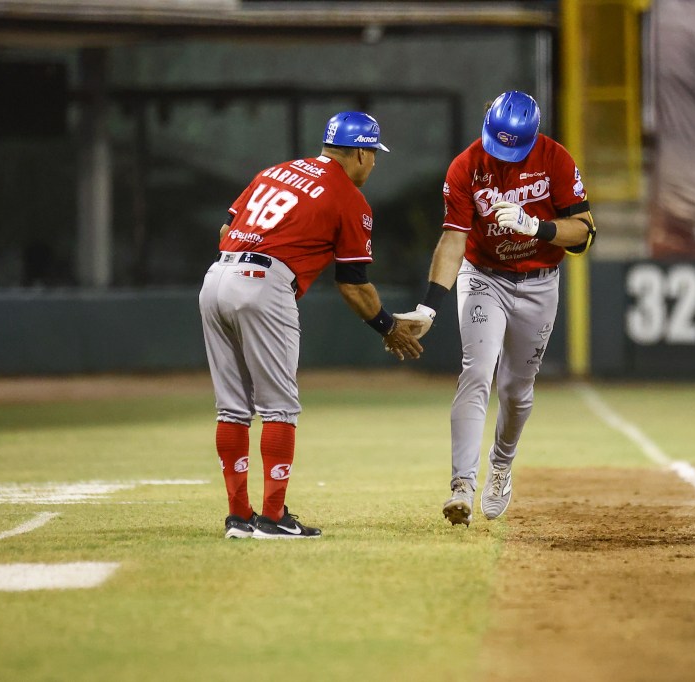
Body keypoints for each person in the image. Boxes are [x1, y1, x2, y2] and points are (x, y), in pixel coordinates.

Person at [199, 111, 424, 540]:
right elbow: (353, 284)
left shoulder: (274, 172)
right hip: (263, 283)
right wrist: (387, 326)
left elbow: (227, 228)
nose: (374, 163)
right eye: (374, 155)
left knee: (232, 409)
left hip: (216, 279)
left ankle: (239, 517)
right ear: (360, 153)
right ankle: (272, 517)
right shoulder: (349, 198)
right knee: (279, 408)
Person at [395, 90, 596, 526]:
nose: (503, 157)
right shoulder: (465, 166)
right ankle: (462, 486)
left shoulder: (556, 159)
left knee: (517, 390)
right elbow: (453, 239)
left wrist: (536, 226)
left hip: (539, 283)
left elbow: (583, 232)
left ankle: (501, 464)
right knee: (477, 371)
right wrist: (429, 307)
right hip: (483, 276)